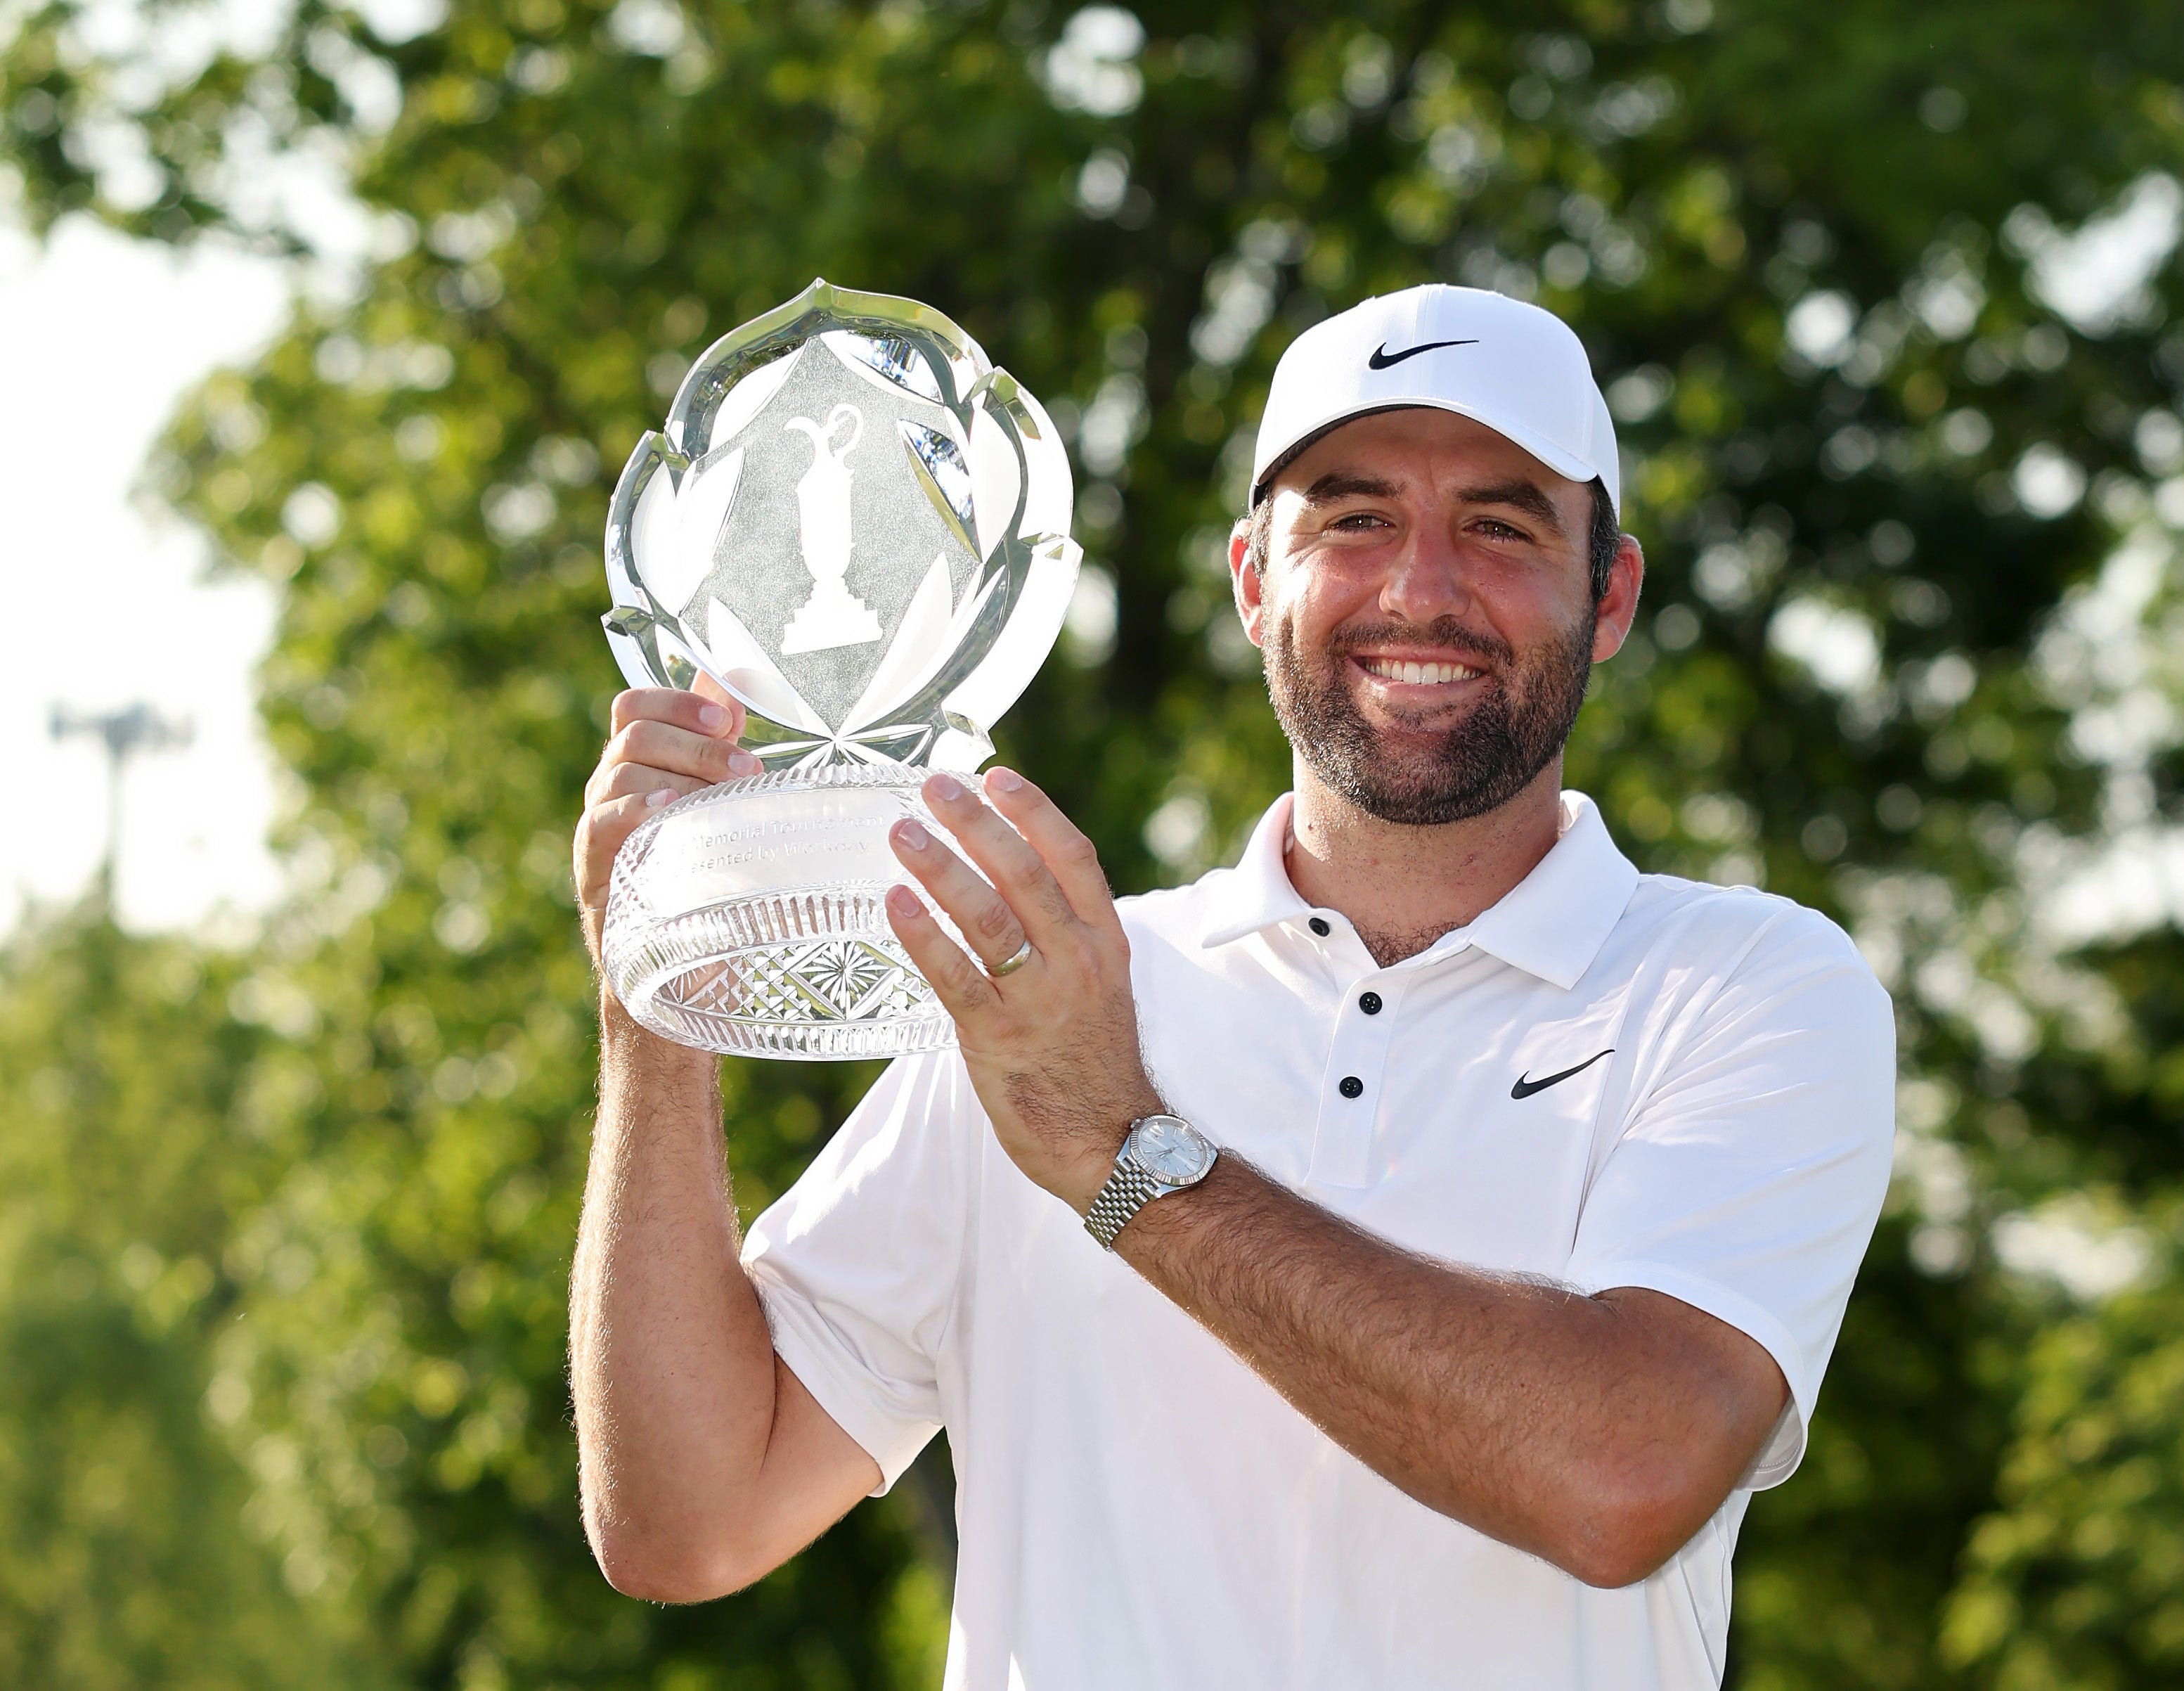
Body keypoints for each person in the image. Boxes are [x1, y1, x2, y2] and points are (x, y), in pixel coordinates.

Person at [569, 283, 1895, 1690]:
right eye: (1353, 517)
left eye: (1500, 526)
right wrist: (654, 1002)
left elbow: (1621, 1476)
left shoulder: (1745, 986)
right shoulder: (1045, 998)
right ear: (1255, 580)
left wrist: (1116, 1151)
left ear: (1609, 593)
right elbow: (685, 1524)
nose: (1421, 589)